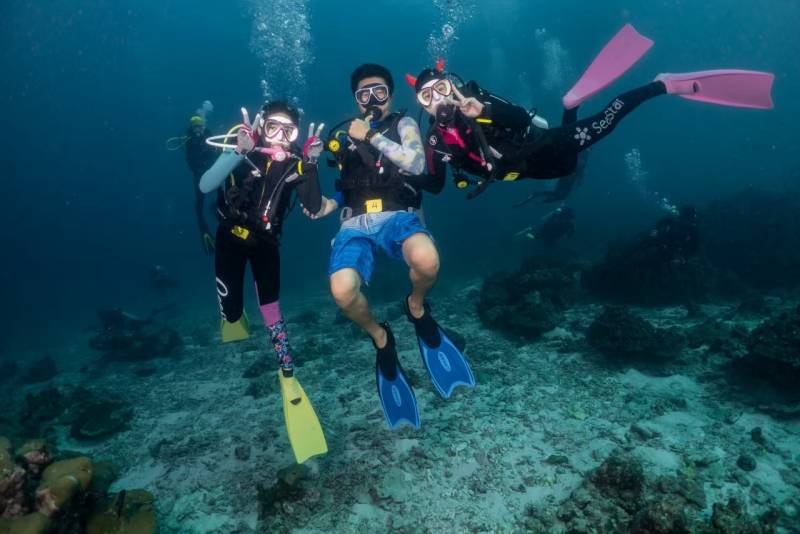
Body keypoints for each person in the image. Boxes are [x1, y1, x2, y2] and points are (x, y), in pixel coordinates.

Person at [408, 24, 775, 200]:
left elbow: (519, 117)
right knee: (572, 165)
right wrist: (404, 174)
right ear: (421, 105)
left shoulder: (477, 104)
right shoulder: (435, 140)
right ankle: (572, 104)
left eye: (441, 89)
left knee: (604, 123)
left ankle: (662, 85)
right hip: (537, 171)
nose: (438, 100)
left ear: (452, 86)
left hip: (547, 144)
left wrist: (484, 110)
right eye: (427, 97)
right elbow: (435, 186)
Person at [308, 64, 475, 430]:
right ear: (356, 100)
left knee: (427, 260)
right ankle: (381, 337)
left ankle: (416, 306)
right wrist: (319, 198)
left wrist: (370, 135)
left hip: (398, 215)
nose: (372, 100)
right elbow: (343, 191)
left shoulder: (403, 124)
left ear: (391, 95)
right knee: (342, 290)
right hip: (354, 222)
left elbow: (415, 163)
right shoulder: (345, 138)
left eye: (379, 92)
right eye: (364, 95)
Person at [199, 100, 327, 463]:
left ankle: (287, 373)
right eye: (273, 127)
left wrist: (311, 164)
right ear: (261, 127)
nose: (280, 137)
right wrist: (238, 152)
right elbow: (207, 185)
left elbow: (314, 206)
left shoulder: (297, 164)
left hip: (267, 246)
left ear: (297, 135)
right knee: (231, 312)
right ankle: (233, 315)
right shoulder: (245, 152)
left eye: (289, 130)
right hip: (230, 238)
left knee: (272, 310)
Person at [184, 111, 220, 254]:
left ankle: (219, 212)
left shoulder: (208, 136)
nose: (197, 130)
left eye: (199, 127)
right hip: (199, 175)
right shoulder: (189, 140)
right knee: (199, 202)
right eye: (195, 127)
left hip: (212, 171)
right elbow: (190, 162)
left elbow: (217, 153)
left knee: (223, 193)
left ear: (203, 127)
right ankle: (204, 229)